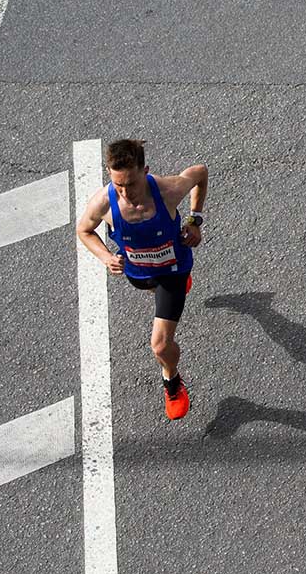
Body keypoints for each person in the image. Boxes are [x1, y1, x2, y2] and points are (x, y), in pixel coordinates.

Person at [76, 140, 209, 420]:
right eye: (118, 185)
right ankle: (171, 296)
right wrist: (104, 257)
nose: (124, 193)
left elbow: (200, 172)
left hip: (173, 271)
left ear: (145, 171)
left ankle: (171, 380)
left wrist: (194, 221)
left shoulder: (168, 190)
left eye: (131, 184)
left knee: (160, 345)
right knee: (156, 293)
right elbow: (84, 230)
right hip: (138, 275)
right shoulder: (104, 202)